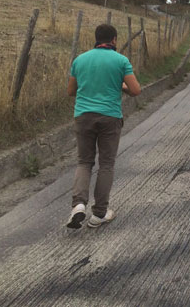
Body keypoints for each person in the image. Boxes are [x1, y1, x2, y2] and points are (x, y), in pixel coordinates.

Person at [66, 24, 141, 229]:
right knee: (106, 164)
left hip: (83, 116)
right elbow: (135, 90)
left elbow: (71, 90)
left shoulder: (80, 60)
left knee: (84, 162)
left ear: (96, 38)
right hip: (109, 117)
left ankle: (78, 205)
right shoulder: (121, 60)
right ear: (114, 40)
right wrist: (120, 85)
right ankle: (99, 214)